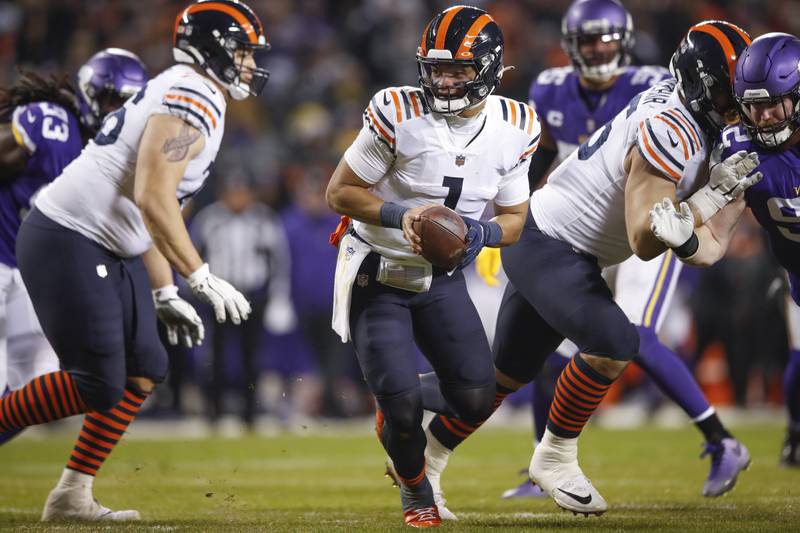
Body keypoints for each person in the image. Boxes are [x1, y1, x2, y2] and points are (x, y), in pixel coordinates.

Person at [419, 20, 758, 516]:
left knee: (500, 381)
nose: (741, 109)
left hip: (560, 243)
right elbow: (644, 241)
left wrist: (709, 216)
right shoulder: (672, 128)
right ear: (703, 88)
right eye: (733, 97)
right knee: (616, 342)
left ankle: (420, 449)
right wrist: (708, 197)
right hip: (551, 241)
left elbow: (707, 250)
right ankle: (555, 457)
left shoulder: (697, 120)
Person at [0, 0, 268, 521]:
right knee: (95, 381)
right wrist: (200, 276)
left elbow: (149, 212)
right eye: (243, 52)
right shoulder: (193, 92)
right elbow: (152, 195)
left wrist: (165, 291)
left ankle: (71, 494)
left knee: (146, 369)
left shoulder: (192, 89)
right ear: (213, 49)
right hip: (68, 235)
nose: (251, 65)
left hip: (107, 243)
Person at [325, 5, 536, 527]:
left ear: (486, 69)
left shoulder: (515, 124)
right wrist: (405, 214)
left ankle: (392, 387)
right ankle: (416, 491)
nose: (443, 80)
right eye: (436, 69)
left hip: (440, 278)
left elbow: (513, 220)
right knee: (401, 415)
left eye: (458, 71)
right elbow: (339, 193)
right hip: (377, 270)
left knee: (474, 399)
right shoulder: (396, 110)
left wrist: (476, 235)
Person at [649, 31, 800, 471]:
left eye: (775, 103)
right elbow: (714, 242)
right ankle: (795, 431)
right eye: (753, 105)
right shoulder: (739, 150)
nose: (766, 116)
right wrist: (685, 238)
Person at [0, 48, 148, 446]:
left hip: (33, 276)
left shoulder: (120, 157)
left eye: (130, 101)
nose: (120, 109)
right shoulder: (56, 124)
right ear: (90, 93)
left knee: (35, 385)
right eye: (114, 98)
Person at [190, 172, 294, 430]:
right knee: (215, 355)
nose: (238, 198)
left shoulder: (263, 219)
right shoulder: (209, 219)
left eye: (243, 192)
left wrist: (280, 297)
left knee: (252, 356)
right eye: (233, 192)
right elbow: (191, 256)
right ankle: (212, 411)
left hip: (251, 295)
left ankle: (249, 412)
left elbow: (280, 260)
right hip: (218, 295)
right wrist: (194, 291)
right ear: (223, 194)